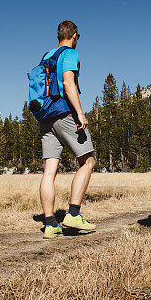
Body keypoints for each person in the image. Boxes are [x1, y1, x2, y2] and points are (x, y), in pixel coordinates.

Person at [37, 20, 97, 239]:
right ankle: (73, 214)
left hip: (45, 116)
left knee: (49, 171)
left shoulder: (47, 56)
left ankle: (51, 223)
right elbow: (68, 82)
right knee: (88, 162)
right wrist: (80, 113)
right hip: (64, 113)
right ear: (74, 36)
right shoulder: (70, 53)